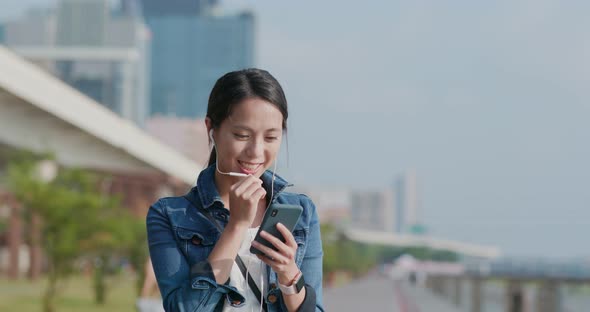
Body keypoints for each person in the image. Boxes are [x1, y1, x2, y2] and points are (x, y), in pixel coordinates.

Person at [147, 68, 324, 312]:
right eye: (242, 135)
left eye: (271, 137)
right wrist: (237, 226)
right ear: (212, 129)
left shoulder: (301, 212)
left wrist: (288, 274)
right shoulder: (171, 215)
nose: (256, 151)